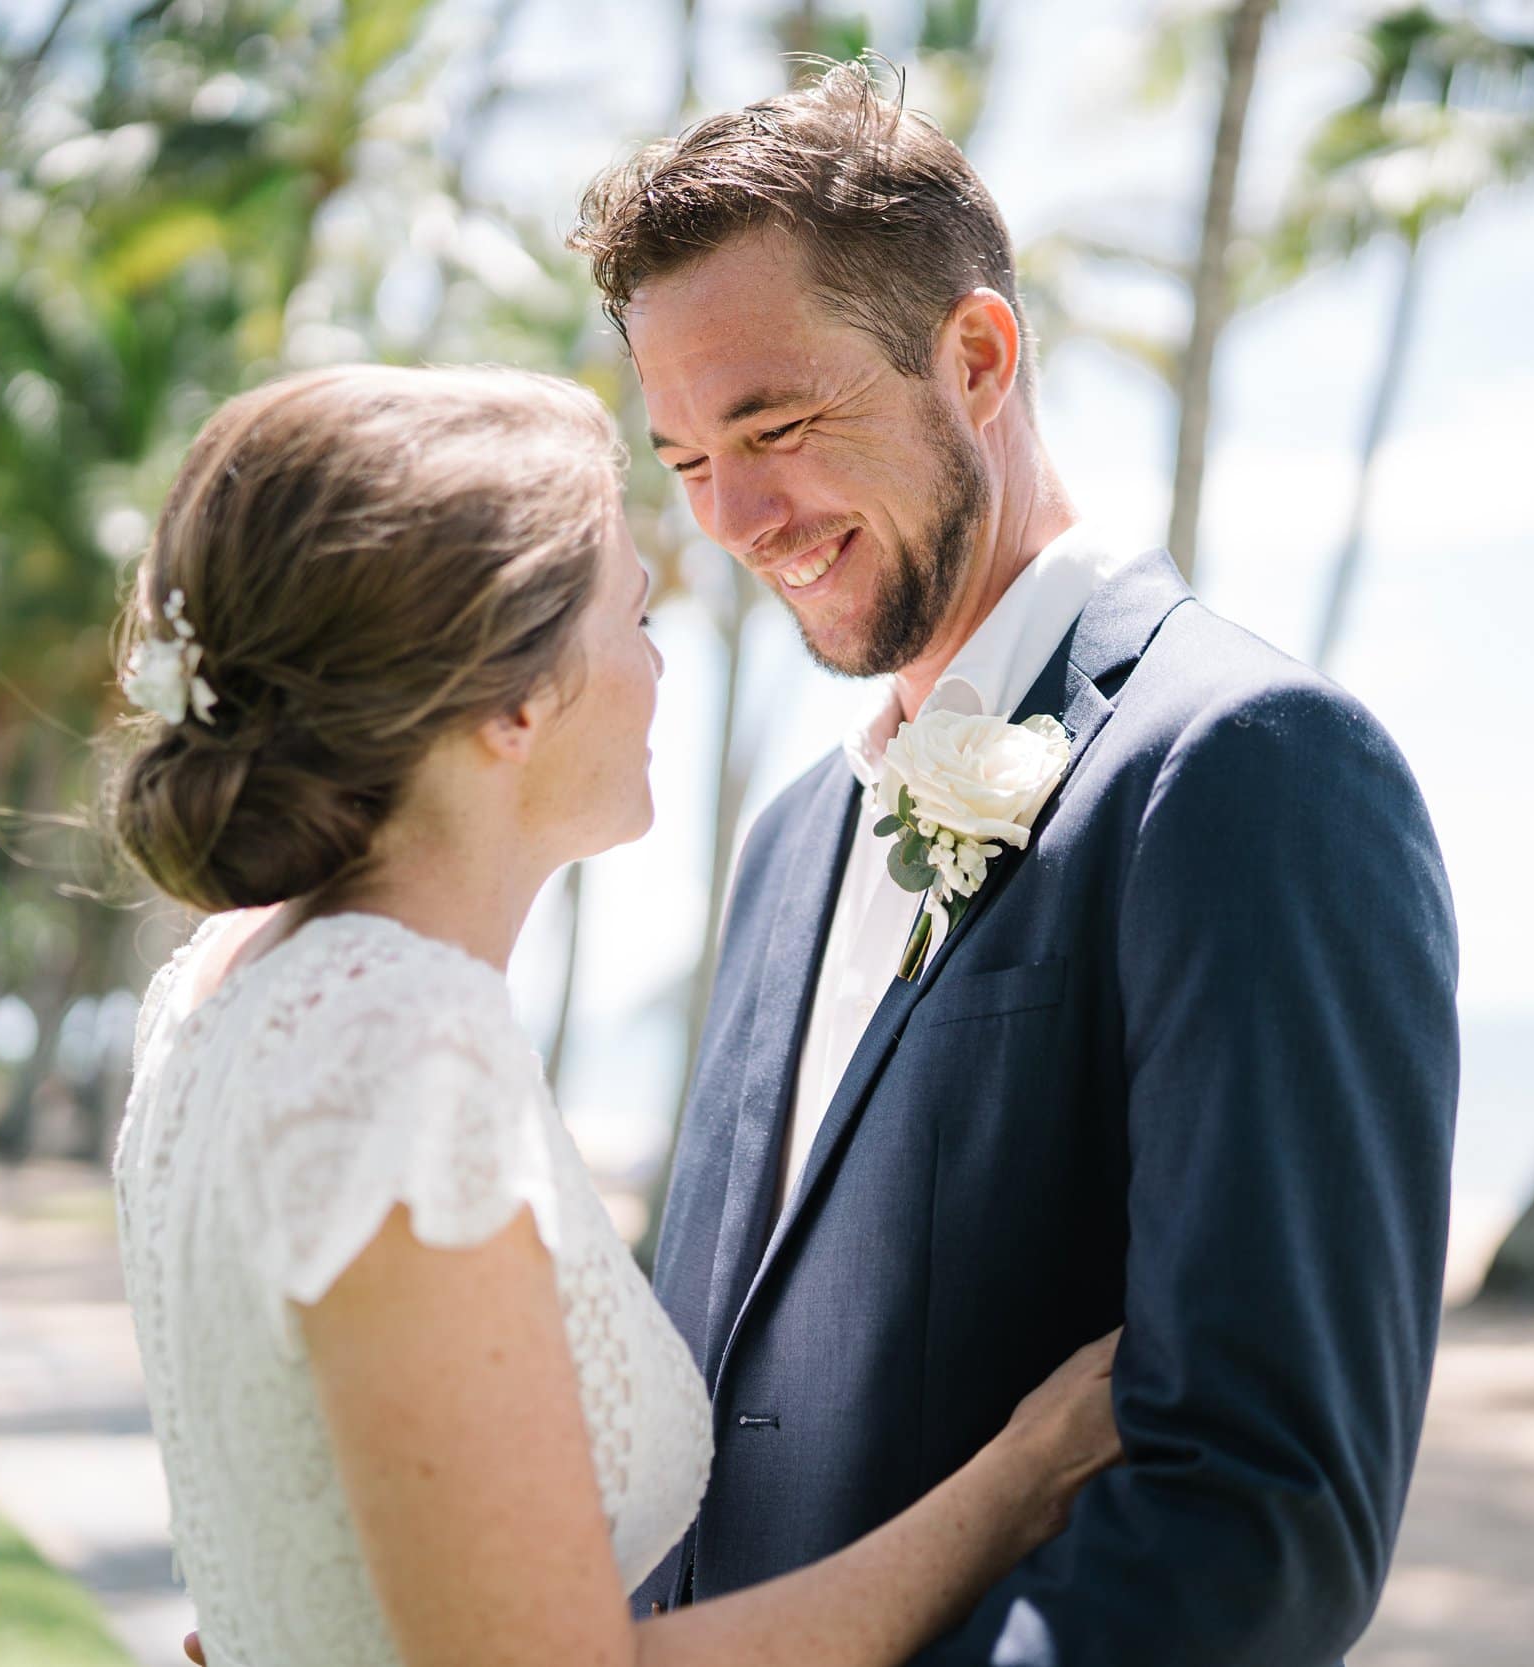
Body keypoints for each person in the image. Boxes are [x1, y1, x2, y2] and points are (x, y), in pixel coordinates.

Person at [570, 64, 1459, 1665]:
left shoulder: (1244, 764)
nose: (739, 517)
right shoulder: (789, 843)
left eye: (775, 423)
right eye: (691, 460)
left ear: (976, 356)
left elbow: (1260, 1510)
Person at [108, 362, 1123, 1667]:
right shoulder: (398, 1035)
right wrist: (1020, 1479)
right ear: (513, 701)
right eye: (635, 616)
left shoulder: (219, 985)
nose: (658, 667)